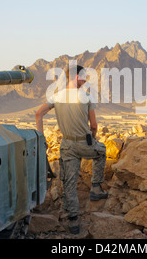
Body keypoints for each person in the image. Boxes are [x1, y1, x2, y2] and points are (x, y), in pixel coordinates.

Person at [35, 64, 108, 234]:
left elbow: (39, 114)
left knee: (69, 183)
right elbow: (94, 125)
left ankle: (73, 221)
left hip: (67, 145)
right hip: (85, 143)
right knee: (102, 151)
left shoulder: (56, 96)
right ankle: (96, 187)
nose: (85, 80)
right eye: (83, 77)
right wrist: (92, 136)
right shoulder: (86, 97)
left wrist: (41, 136)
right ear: (76, 77)